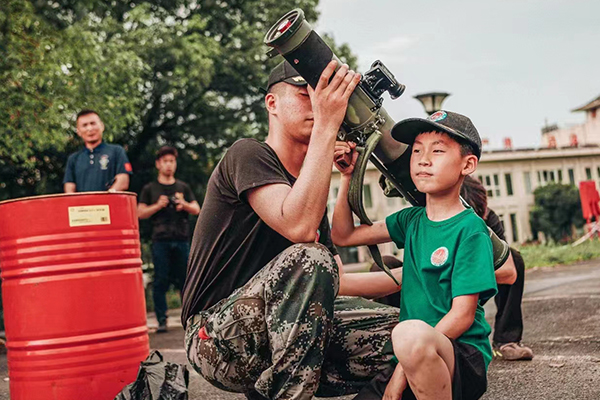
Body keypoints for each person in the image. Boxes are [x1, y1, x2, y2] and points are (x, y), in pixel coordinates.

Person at [181, 60, 405, 400]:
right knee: (309, 256)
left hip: (279, 335)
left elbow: (333, 281)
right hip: (217, 338)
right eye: (305, 94)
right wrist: (328, 126)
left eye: (322, 96)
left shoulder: (310, 192)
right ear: (272, 104)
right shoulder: (248, 154)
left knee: (411, 336)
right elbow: (298, 228)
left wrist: (421, 273)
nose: (317, 103)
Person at [332, 110, 497, 400]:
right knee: (408, 337)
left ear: (467, 164)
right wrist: (348, 176)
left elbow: (462, 316)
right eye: (417, 150)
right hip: (411, 353)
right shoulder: (411, 220)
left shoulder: (471, 229)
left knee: (408, 334)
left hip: (458, 355)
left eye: (438, 151)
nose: (423, 159)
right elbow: (344, 236)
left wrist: (399, 375)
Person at [461, 175, 534, 361]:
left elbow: (506, 267)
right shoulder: (429, 218)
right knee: (388, 263)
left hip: (470, 283)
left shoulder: (489, 219)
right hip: (434, 285)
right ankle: (391, 336)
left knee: (513, 257)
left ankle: (506, 341)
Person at [138, 146, 200, 333]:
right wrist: (158, 205)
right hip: (160, 240)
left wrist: (184, 205)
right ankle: (162, 320)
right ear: (158, 164)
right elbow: (140, 213)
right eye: (165, 161)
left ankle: (189, 318)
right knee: (160, 281)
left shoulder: (183, 187)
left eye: (171, 161)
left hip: (181, 238)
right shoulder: (150, 188)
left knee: (186, 280)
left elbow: (197, 209)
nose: (168, 165)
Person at [63, 109, 132, 192]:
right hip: (82, 205)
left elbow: (123, 181)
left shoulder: (116, 151)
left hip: (109, 203)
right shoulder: (74, 159)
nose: (90, 128)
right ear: (78, 131)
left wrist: (104, 198)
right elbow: (69, 189)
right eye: (84, 125)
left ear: (102, 126)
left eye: (93, 123)